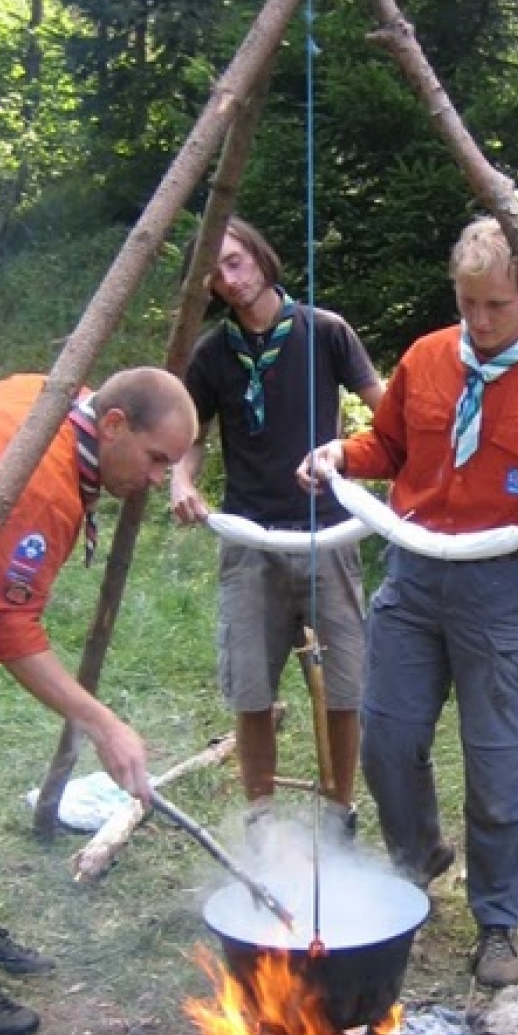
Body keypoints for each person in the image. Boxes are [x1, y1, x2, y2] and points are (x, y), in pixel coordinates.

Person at [299, 216, 518, 987]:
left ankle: (501, 922)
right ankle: (417, 860)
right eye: (467, 302)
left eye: (495, 306)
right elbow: (386, 447)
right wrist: (340, 452)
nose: (478, 322)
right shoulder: (426, 359)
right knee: (385, 736)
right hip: (413, 579)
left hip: (505, 589)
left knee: (500, 763)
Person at [0, 367, 199, 1035]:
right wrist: (104, 723)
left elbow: (0, 608)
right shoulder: (41, 480)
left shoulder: (65, 403)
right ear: (114, 425)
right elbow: (12, 632)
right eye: (156, 459)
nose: (158, 479)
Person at [170, 218, 383, 833]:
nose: (228, 279)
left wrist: (384, 461)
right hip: (249, 540)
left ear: (262, 256)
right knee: (251, 688)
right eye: (214, 272)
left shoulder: (326, 331)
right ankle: (261, 820)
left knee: (345, 684)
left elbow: (384, 413)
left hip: (329, 534)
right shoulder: (212, 352)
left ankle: (340, 810)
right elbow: (191, 439)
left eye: (235, 261)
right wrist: (182, 481)